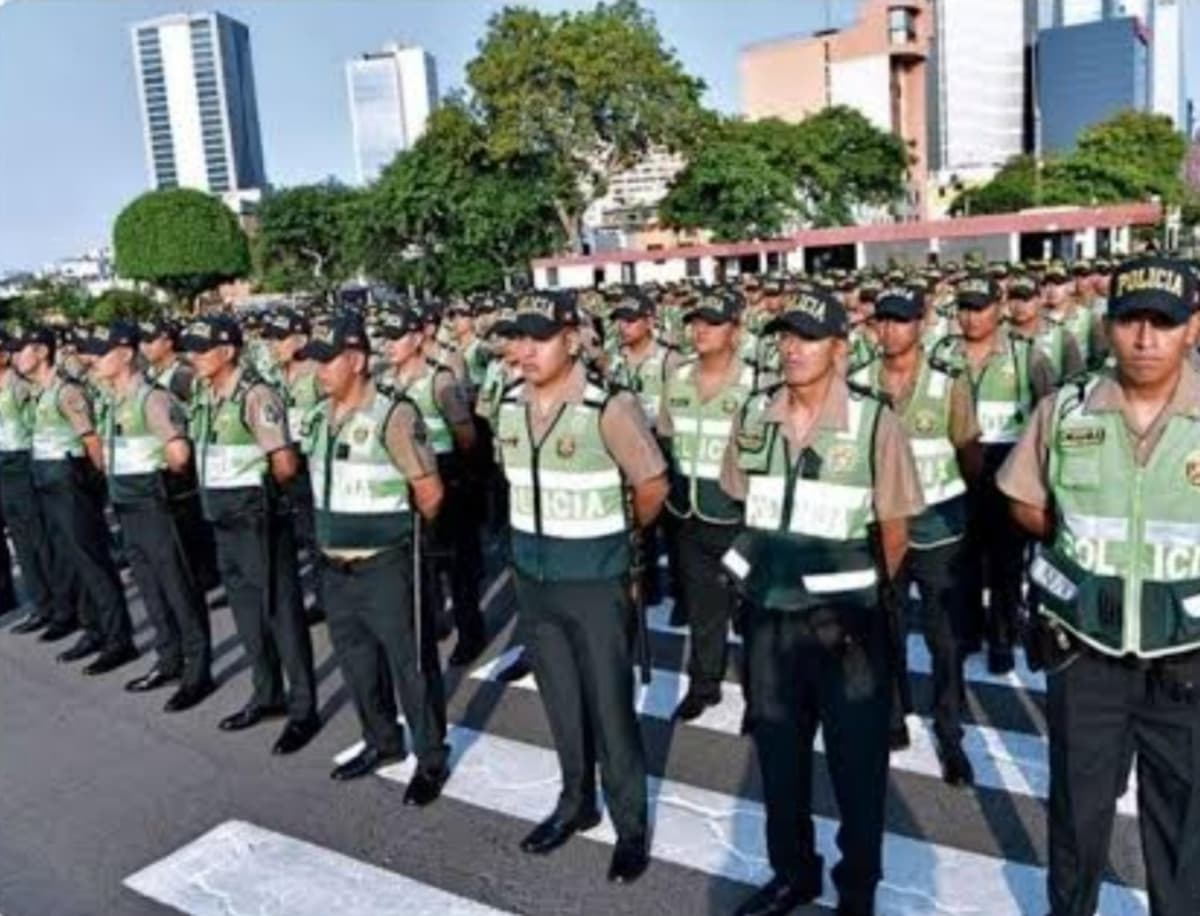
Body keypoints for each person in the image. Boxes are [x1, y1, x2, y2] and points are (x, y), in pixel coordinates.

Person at [998, 256, 1200, 916]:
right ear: (1108, 327)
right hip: (1086, 654)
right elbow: (1026, 499)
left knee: (1183, 835)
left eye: (1163, 323)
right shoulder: (1066, 410)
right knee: (1078, 822)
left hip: (1187, 661)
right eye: (1132, 321)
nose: (1146, 339)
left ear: (1192, 329)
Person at [720, 287, 924, 916]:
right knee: (779, 760)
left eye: (808, 337)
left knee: (856, 768)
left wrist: (853, 598)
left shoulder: (873, 422)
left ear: (839, 347)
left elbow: (895, 532)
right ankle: (793, 873)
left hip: (847, 630)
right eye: (785, 335)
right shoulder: (755, 414)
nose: (792, 348)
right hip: (769, 623)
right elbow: (738, 496)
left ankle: (856, 888)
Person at [497, 293, 666, 884]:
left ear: (571, 340)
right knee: (561, 702)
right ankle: (575, 802)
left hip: (595, 579)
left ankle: (631, 825)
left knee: (611, 709)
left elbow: (651, 486)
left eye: (539, 337)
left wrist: (618, 551)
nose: (525, 350)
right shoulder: (509, 406)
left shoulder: (607, 407)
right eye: (519, 337)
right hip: (535, 581)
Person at [300, 314, 450, 803]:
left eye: (328, 361)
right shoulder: (320, 416)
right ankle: (382, 742)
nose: (318, 370)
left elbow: (429, 491)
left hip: (386, 563)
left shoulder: (394, 415)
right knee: (357, 662)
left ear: (358, 360)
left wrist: (398, 539)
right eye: (315, 361)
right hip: (334, 565)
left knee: (411, 664)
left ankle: (430, 758)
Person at [856, 286, 982, 782]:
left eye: (900, 320)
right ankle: (892, 718)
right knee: (883, 625)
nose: (889, 330)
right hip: (879, 526)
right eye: (882, 320)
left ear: (921, 323)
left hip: (937, 526)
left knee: (944, 638)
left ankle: (950, 732)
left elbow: (969, 454)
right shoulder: (858, 381)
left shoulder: (948, 383)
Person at [181, 315, 320, 755]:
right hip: (221, 519)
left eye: (203, 349)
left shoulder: (256, 395)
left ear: (228, 351)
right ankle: (267, 694)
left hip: (255, 519)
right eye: (192, 348)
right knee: (246, 613)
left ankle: (303, 709)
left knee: (281, 613)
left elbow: (284, 463)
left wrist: (264, 503)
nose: (194, 357)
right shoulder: (206, 394)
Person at [932, 274, 1056, 672]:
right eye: (964, 308)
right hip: (956, 466)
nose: (970, 318)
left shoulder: (1025, 355)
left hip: (1008, 467)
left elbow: (1048, 410)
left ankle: (1002, 637)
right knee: (961, 557)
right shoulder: (942, 353)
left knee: (1006, 561)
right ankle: (967, 632)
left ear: (998, 309)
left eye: (979, 308)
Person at [89, 321, 215, 711]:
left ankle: (198, 671)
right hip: (128, 505)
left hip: (157, 505)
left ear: (125, 354)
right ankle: (168, 659)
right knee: (151, 589)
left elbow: (179, 454)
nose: (93, 359)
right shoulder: (112, 400)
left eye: (101, 351)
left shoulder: (151, 399)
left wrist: (159, 481)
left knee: (179, 588)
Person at [657, 290, 755, 721]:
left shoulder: (758, 383)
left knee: (753, 609)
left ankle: (761, 696)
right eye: (696, 322)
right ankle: (704, 683)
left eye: (712, 323)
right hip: (689, 514)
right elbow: (664, 437)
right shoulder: (676, 379)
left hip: (740, 518)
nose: (700, 330)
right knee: (703, 606)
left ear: (735, 329)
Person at [19, 324, 138, 673]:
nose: (15, 355)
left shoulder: (67, 391)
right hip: (49, 484)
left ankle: (119, 639)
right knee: (71, 560)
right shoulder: (40, 391)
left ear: (42, 351)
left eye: (22, 347)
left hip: (72, 485)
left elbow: (91, 441)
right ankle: (93, 629)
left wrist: (97, 481)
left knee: (92, 561)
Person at [378, 307, 486, 666]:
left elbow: (466, 434)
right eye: (385, 338)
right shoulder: (386, 383)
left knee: (458, 562)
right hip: (406, 478)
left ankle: (471, 631)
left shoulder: (439, 381)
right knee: (422, 559)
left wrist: (456, 472)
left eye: (396, 337)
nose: (388, 345)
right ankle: (435, 619)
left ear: (418, 338)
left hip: (446, 473)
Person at [0, 328, 56, 634]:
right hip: (3, 465)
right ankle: (40, 605)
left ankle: (60, 604)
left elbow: (36, 425)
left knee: (39, 538)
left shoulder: (19, 388)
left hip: (23, 462)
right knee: (20, 542)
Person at [1005, 275, 1085, 384]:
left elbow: (1076, 380)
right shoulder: (995, 336)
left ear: (1039, 300)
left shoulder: (1062, 337)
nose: (1019, 306)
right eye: (1014, 299)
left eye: (1026, 299)